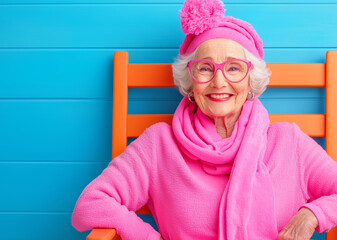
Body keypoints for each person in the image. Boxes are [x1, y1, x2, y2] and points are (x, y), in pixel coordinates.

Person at [72, 0, 337, 239]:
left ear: (250, 78)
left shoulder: (289, 142)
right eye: (205, 68)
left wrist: (314, 213)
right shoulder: (159, 145)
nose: (219, 81)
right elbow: (91, 204)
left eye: (234, 68)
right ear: (189, 80)